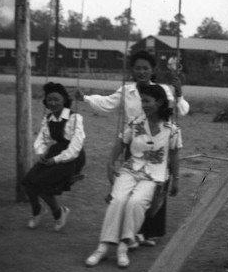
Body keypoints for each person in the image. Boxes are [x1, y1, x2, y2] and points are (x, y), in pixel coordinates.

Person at [76, 50, 189, 245]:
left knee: (155, 189)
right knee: (130, 191)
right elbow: (107, 103)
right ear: (132, 70)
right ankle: (128, 233)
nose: (142, 72)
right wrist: (86, 98)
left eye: (146, 68)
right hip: (135, 142)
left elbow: (182, 110)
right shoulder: (126, 91)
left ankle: (148, 232)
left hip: (158, 143)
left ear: (152, 70)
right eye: (138, 68)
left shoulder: (162, 90)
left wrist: (179, 95)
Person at [84, 83, 181, 268]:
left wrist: (175, 180)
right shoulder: (136, 123)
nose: (143, 104)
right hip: (131, 169)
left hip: (154, 175)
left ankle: (123, 246)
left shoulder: (172, 129)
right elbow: (122, 142)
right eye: (142, 100)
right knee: (118, 200)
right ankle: (102, 247)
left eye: (147, 101)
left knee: (135, 203)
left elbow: (175, 154)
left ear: (159, 102)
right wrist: (110, 162)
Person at [22, 82, 86, 232]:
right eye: (50, 100)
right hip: (55, 151)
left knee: (43, 184)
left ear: (64, 100)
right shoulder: (48, 118)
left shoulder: (75, 117)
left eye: (56, 99)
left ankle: (59, 213)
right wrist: (42, 152)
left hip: (72, 157)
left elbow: (75, 147)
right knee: (28, 181)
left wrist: (55, 160)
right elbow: (41, 138)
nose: (53, 103)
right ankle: (37, 210)